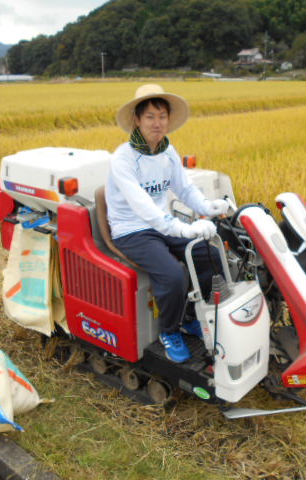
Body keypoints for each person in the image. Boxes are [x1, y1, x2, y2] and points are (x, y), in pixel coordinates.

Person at [105, 84, 229, 363]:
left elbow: (185, 188)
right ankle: (169, 331)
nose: (157, 123)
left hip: (161, 225)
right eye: (150, 117)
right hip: (132, 231)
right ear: (137, 120)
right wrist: (183, 228)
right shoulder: (123, 158)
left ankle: (189, 317)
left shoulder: (167, 151)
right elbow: (142, 205)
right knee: (173, 276)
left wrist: (207, 207)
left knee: (209, 255)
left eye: (162, 116)